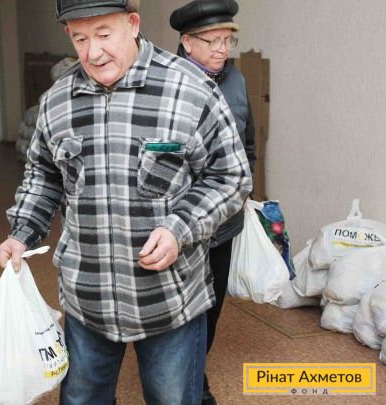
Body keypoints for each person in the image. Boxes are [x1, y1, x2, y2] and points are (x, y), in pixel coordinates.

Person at [0, 0, 252, 403]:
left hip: (169, 299)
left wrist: (179, 228)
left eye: (104, 35)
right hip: (87, 298)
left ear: (133, 23)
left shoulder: (189, 88)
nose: (93, 53)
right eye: (80, 39)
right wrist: (22, 232)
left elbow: (230, 176)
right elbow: (44, 175)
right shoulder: (57, 101)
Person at [170, 1, 257, 404]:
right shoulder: (165, 82)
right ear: (188, 42)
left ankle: (194, 371)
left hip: (224, 224)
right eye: (213, 41)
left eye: (228, 40)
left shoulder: (236, 81)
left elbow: (247, 144)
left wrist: (242, 192)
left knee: (212, 307)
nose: (223, 49)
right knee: (181, 309)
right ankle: (192, 387)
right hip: (180, 225)